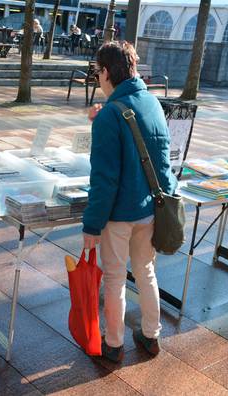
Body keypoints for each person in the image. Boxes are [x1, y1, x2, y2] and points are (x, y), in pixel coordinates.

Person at [83, 41, 177, 363]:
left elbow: (104, 179)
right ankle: (151, 336)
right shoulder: (153, 103)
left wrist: (92, 225)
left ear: (107, 72)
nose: (98, 79)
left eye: (97, 73)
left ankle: (113, 344)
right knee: (146, 270)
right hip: (150, 209)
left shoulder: (110, 116)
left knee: (114, 278)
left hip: (119, 216)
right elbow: (163, 162)